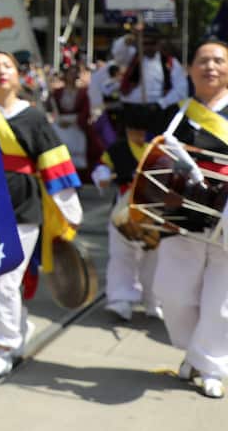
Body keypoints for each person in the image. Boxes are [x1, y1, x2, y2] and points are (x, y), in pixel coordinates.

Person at [0, 51, 83, 377]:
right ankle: (18, 325)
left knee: (5, 280)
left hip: (24, 206)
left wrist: (70, 208)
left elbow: (54, 160)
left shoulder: (34, 117)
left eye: (6, 66)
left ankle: (6, 346)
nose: (0, 71)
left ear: (18, 74)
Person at [150, 39, 228, 399]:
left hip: (226, 218)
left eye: (219, 61)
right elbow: (152, 160)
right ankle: (196, 352)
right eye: (203, 60)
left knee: (221, 302)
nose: (210, 67)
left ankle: (210, 366)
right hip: (181, 215)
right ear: (189, 69)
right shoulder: (173, 114)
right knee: (173, 295)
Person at [91, 105, 161, 322]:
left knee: (154, 259)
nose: (138, 136)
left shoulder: (160, 149)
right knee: (120, 255)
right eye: (133, 132)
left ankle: (154, 300)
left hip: (154, 210)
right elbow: (102, 166)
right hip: (122, 208)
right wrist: (102, 176)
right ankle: (120, 298)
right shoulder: (118, 149)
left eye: (142, 132)